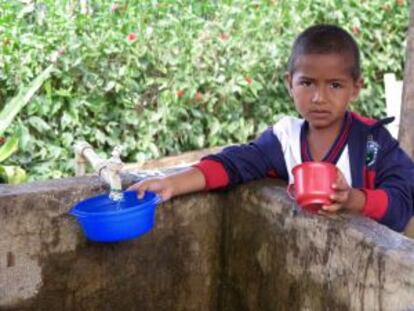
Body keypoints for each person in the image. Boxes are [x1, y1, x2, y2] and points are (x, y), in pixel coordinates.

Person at [128, 24, 414, 232]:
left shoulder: (372, 142)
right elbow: (235, 164)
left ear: (355, 88)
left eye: (335, 85)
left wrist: (354, 199)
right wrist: (173, 183)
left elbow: (402, 204)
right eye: (307, 83)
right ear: (290, 83)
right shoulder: (285, 139)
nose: (319, 97)